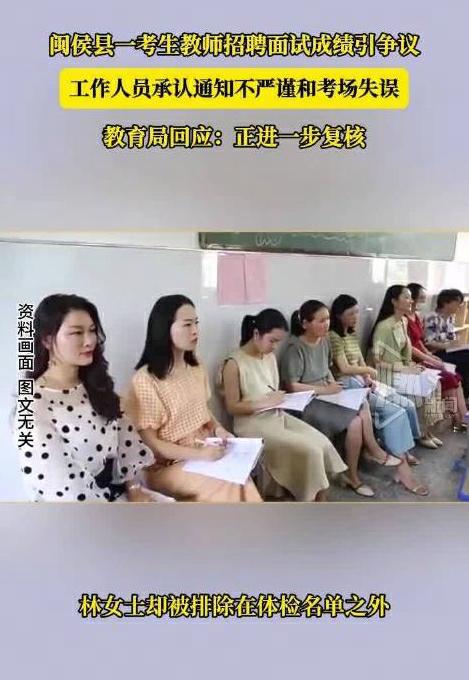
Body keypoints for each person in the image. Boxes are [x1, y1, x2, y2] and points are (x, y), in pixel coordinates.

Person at [17, 294, 161, 503]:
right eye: (77, 332)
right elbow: (59, 486)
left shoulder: (96, 385)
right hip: (77, 511)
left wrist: (135, 490)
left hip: (120, 499)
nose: (89, 341)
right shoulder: (32, 403)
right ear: (47, 340)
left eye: (92, 331)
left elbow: (126, 442)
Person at [125, 295, 262, 503]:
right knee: (225, 484)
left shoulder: (196, 367)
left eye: (196, 323)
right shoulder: (145, 380)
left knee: (240, 477)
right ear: (165, 329)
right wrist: (199, 455)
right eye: (187, 325)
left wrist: (219, 430)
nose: (195, 331)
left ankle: (251, 523)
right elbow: (152, 444)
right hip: (166, 467)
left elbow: (203, 411)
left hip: (202, 451)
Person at [220, 308, 348, 502]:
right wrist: (263, 403)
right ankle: (310, 502)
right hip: (252, 424)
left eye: (278, 342)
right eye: (272, 341)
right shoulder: (233, 363)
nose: (274, 347)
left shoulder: (269, 357)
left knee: (322, 442)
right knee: (311, 451)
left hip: (277, 415)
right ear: (256, 334)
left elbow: (273, 389)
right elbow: (232, 407)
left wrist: (280, 398)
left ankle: (320, 502)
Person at [279, 300, 400, 499]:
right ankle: (357, 470)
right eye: (320, 321)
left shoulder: (324, 341)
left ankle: (361, 463)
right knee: (355, 421)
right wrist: (326, 390)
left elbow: (326, 369)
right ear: (305, 324)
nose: (326, 324)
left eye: (327, 319)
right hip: (307, 400)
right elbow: (292, 386)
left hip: (326, 393)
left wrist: (333, 385)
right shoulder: (295, 348)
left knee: (361, 407)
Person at [328, 293, 429, 495]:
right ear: (338, 315)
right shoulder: (333, 337)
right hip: (349, 387)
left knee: (404, 404)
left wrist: (368, 377)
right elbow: (344, 368)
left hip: (363, 383)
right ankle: (403, 471)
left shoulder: (351, 335)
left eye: (357, 312)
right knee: (394, 413)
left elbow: (360, 362)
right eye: (350, 313)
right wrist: (368, 372)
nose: (355, 317)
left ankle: (400, 454)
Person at [369, 285, 444, 470]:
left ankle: (426, 431)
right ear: (394, 301)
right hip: (387, 376)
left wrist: (412, 366)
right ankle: (419, 436)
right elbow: (377, 362)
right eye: (406, 297)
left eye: (411, 297)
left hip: (402, 371)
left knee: (435, 382)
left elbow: (406, 351)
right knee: (426, 386)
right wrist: (403, 369)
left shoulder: (402, 321)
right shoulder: (383, 327)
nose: (411, 301)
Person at [407, 283, 467, 431]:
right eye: (420, 298)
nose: (423, 301)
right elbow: (420, 345)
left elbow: (419, 343)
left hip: (432, 355)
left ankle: (462, 416)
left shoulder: (415, 317)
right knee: (450, 376)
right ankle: (457, 419)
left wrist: (431, 356)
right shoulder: (411, 320)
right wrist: (431, 357)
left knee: (457, 373)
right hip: (425, 357)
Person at [424, 288, 469, 400]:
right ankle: (463, 396)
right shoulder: (431, 318)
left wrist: (455, 344)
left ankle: (465, 395)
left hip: (448, 350)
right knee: (465, 361)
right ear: (446, 302)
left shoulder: (450, 318)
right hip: (435, 354)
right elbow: (428, 343)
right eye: (457, 303)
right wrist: (448, 345)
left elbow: (451, 338)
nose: (459, 307)